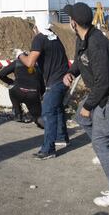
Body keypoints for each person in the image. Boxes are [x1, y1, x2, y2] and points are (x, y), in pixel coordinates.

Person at [63, 2, 109, 207]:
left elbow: (104, 83)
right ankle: (107, 147)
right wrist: (71, 73)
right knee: (81, 119)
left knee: (99, 141)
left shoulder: (97, 43)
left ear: (74, 23)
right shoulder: (81, 38)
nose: (69, 22)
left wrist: (88, 105)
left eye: (69, 19)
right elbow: (79, 61)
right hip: (102, 94)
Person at [18, 21, 70, 159]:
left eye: (34, 26)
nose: (34, 29)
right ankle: (61, 138)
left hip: (55, 82)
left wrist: (19, 55)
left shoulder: (39, 38)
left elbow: (30, 63)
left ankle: (48, 149)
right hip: (63, 79)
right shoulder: (54, 36)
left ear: (37, 27)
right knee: (57, 108)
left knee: (48, 114)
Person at [0, 51, 45, 128]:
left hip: (17, 91)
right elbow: (42, 86)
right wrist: (40, 97)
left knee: (12, 88)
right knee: (38, 117)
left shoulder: (17, 63)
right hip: (33, 94)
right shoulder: (37, 66)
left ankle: (18, 114)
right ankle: (44, 124)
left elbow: (1, 74)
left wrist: (12, 82)